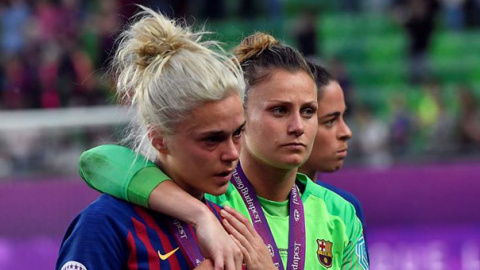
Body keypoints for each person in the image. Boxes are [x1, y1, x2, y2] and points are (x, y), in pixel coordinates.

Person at [78, 33, 369, 269]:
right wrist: (199, 214)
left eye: (309, 112)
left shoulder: (340, 211)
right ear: (241, 112)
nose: (298, 126)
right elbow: (98, 161)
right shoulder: (215, 200)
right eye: (279, 110)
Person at [56, 6, 249, 269]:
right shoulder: (105, 223)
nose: (232, 153)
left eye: (237, 133)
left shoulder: (229, 225)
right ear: (158, 138)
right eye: (211, 140)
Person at [303, 63, 368, 261]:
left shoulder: (345, 209)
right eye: (330, 121)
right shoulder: (231, 203)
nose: (346, 132)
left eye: (343, 117)